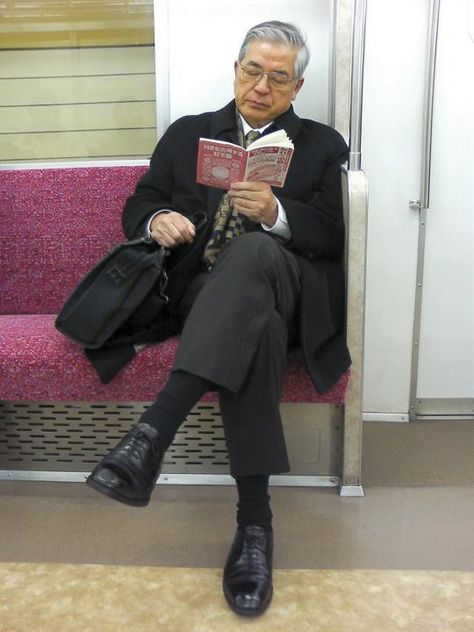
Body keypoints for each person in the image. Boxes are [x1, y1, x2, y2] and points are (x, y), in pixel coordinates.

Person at [86, 20, 351, 617]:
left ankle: (151, 434)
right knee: (249, 330)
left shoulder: (322, 145)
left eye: (277, 78)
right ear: (236, 69)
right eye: (252, 70)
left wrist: (280, 213)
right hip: (196, 291)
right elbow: (142, 199)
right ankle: (255, 528)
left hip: (287, 288)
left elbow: (335, 236)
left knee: (257, 250)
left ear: (297, 86)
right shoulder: (187, 135)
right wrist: (156, 222)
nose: (261, 86)